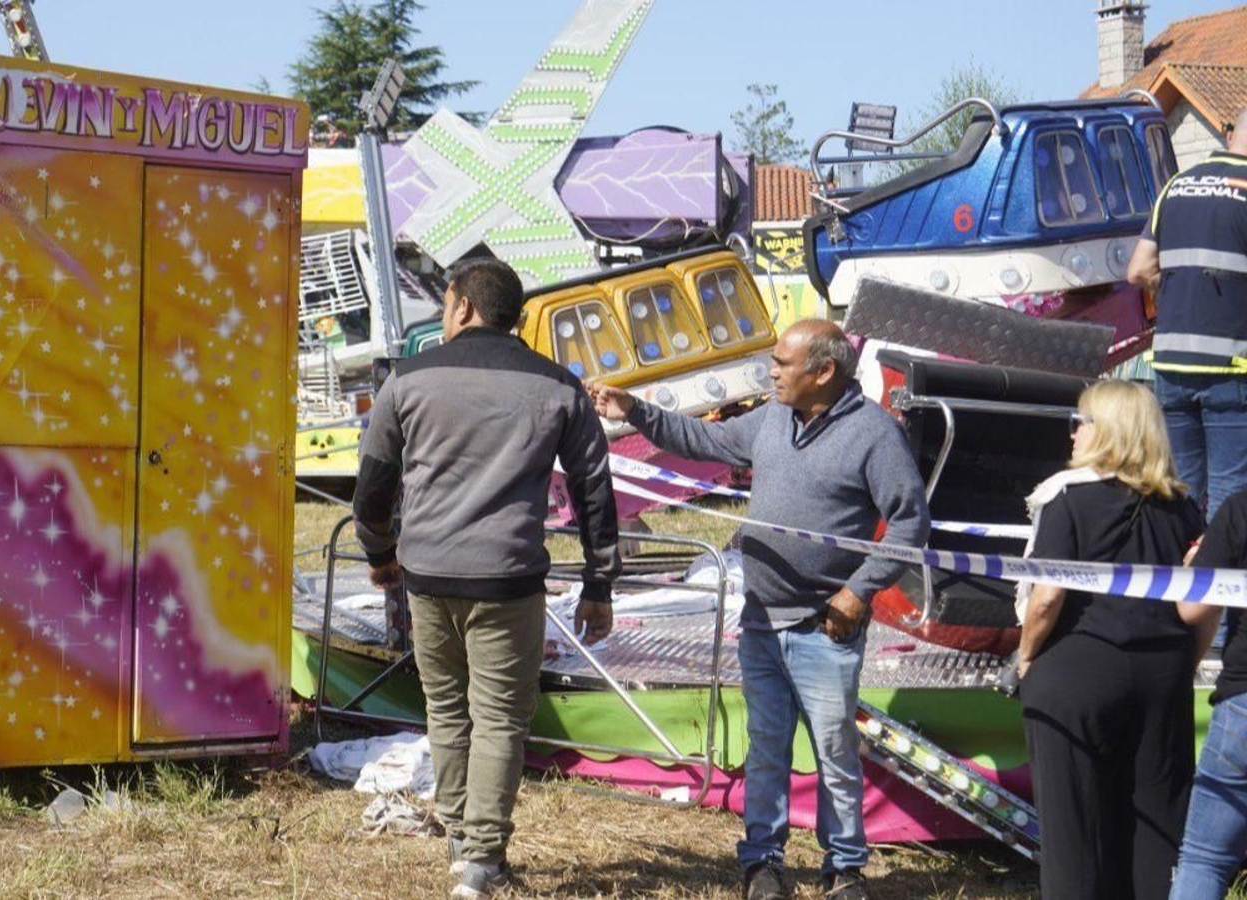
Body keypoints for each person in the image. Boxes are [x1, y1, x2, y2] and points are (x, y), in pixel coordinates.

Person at [591, 319, 930, 900]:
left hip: (827, 625)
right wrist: (635, 410)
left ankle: (844, 869)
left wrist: (858, 591)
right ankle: (763, 864)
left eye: (781, 362)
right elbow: (703, 441)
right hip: (761, 620)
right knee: (767, 744)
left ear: (823, 372)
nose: (770, 371)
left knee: (834, 752)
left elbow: (910, 523)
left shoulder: (875, 433)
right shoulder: (772, 417)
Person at [353, 257, 621, 900]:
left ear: (464, 307)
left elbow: (373, 484)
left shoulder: (408, 381)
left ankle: (458, 838)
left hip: (426, 574)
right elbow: (594, 492)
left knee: (445, 707)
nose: (444, 316)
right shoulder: (559, 386)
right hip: (508, 581)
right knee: (499, 718)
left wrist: (380, 551)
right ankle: (481, 860)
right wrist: (599, 585)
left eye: (445, 304)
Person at [1016, 380, 1206, 900]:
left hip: (1077, 670)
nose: (1072, 433)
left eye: (1082, 422)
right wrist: (1187, 663)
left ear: (1110, 432)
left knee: (1074, 828)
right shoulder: (1183, 508)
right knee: (1158, 822)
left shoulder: (1067, 495)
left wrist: (1026, 655)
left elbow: (1047, 598)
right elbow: (1205, 600)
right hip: (1162, 672)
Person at [1127, 108, 1247, 520]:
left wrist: (1176, 293)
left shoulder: (1175, 187)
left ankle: (1180, 576)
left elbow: (1138, 269)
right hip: (1232, 370)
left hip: (1172, 365)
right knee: (1231, 498)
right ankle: (1222, 582)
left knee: (1180, 494)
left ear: (1231, 134)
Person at [1168, 485, 1247, 900]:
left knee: (1204, 859)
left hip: (1243, 705)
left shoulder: (1241, 507)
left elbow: (1192, 608)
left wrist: (1199, 562)